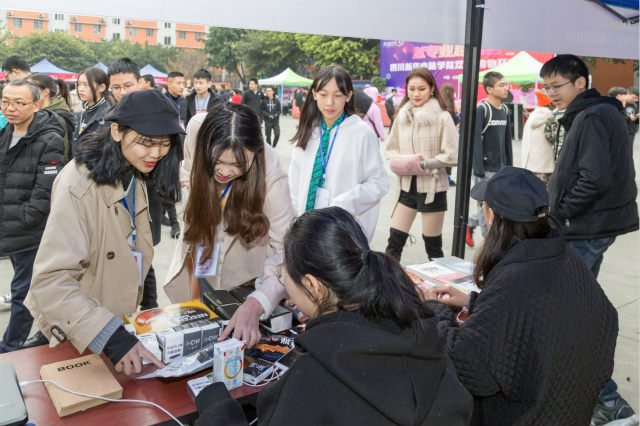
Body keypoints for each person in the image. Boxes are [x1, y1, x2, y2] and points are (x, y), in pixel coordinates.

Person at [194, 207, 473, 426]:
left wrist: (217, 410)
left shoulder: (312, 377)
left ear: (313, 287)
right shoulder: (424, 334)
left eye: (284, 276)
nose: (284, 282)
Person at [423, 166, 619, 426]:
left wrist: (433, 309)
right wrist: (474, 301)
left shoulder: (514, 278)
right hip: (568, 407)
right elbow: (537, 315)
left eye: (483, 205)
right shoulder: (565, 256)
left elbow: (469, 366)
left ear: (491, 216)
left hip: (525, 414)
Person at [24, 90, 184, 375]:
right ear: (116, 131)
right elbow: (51, 280)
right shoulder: (78, 184)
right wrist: (111, 337)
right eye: (146, 142)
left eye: (164, 144)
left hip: (118, 322)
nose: (157, 153)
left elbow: (134, 249)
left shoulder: (134, 171)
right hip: (83, 329)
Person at [540, 54, 639, 425]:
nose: (551, 93)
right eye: (546, 87)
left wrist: (562, 209)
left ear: (581, 82)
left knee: (567, 314)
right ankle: (591, 393)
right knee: (574, 309)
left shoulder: (594, 115)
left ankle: (608, 400)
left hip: (587, 227)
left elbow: (594, 177)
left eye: (557, 86)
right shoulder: (595, 112)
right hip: (592, 225)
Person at [164, 102, 296, 348]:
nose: (225, 172)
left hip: (246, 267)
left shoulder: (272, 176)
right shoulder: (196, 128)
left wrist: (258, 302)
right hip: (204, 248)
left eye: (238, 165)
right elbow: (187, 171)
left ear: (254, 154)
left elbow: (286, 252)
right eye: (217, 160)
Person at [0, 79, 65, 353]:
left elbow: (44, 194)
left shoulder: (49, 138)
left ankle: (11, 347)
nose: (10, 108)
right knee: (28, 289)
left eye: (18, 102)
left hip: (29, 232)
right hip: (8, 227)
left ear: (37, 104)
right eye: (5, 101)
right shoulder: (6, 131)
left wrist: (24, 219)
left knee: (23, 294)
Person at [289, 65, 389, 242]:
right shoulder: (308, 132)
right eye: (323, 94)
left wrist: (343, 204)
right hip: (306, 230)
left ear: (348, 96)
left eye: (337, 95)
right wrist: (294, 224)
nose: (329, 103)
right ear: (313, 94)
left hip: (342, 231)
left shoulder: (361, 133)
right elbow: (294, 183)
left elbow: (378, 182)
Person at [385, 68, 458, 262]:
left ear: (432, 89)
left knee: (433, 249)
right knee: (393, 245)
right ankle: (386, 289)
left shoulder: (443, 117)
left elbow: (453, 155)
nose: (416, 94)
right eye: (412, 89)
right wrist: (401, 162)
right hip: (406, 188)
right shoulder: (401, 116)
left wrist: (425, 163)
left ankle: (441, 291)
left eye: (421, 89)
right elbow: (390, 148)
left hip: (433, 189)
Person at [108, 57, 164, 312]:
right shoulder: (112, 116)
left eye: (127, 85)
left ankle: (150, 307)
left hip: (146, 196)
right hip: (117, 197)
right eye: (116, 87)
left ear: (140, 82)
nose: (121, 92)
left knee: (144, 254)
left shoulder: (156, 112)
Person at [466, 71, 512, 247]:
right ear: (489, 89)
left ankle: (470, 224)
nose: (506, 88)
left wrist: (509, 166)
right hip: (484, 168)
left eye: (506, 84)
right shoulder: (482, 109)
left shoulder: (505, 109)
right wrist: (478, 168)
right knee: (484, 205)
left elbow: (507, 141)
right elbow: (475, 139)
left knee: (497, 205)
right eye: (501, 85)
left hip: (501, 168)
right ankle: (489, 241)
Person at [26, 73, 75, 162]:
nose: (28, 93)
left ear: (46, 92)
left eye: (32, 89)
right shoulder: (36, 112)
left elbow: (62, 153)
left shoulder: (57, 117)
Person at [70, 67, 114, 158]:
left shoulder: (107, 116)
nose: (80, 89)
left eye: (86, 85)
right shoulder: (83, 113)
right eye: (78, 84)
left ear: (102, 87)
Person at [520, 91, 556, 185]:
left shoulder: (532, 116)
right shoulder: (551, 118)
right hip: (545, 167)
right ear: (550, 103)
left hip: (529, 166)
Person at [441, 83, 459, 186]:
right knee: (448, 154)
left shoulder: (438, 103)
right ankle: (447, 178)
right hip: (449, 135)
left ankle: (442, 176)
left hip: (440, 135)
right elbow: (454, 121)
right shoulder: (451, 105)